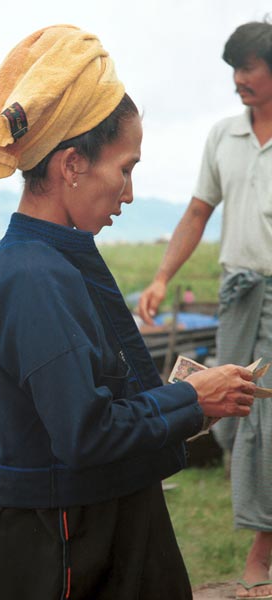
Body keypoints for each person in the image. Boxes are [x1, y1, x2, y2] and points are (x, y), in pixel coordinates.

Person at [0, 25, 256, 600]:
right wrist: (193, 400)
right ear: (72, 164)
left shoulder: (42, 258)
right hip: (44, 550)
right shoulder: (33, 275)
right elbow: (85, 432)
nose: (128, 193)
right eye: (124, 169)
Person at [138, 19, 272, 600]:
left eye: (248, 67)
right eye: (233, 70)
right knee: (228, 414)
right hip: (238, 293)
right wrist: (163, 277)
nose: (238, 81)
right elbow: (197, 213)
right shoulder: (224, 136)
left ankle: (261, 550)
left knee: (265, 421)